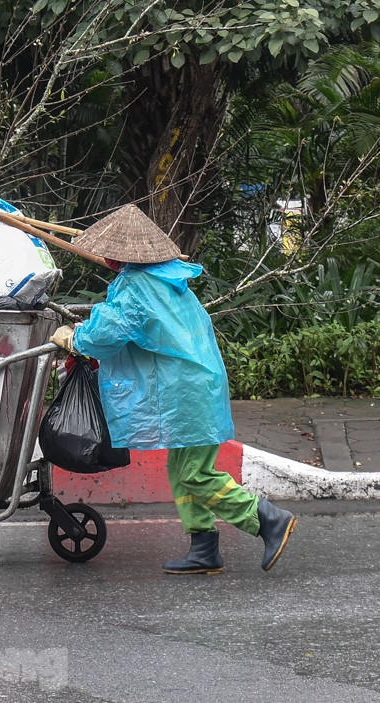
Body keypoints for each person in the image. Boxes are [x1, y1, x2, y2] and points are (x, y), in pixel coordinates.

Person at [50, 204, 297, 574]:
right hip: (192, 383)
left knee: (194, 473)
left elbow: (108, 332)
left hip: (184, 389)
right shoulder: (164, 276)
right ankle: (203, 546)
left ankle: (266, 519)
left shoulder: (136, 286)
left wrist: (74, 338)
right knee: (183, 470)